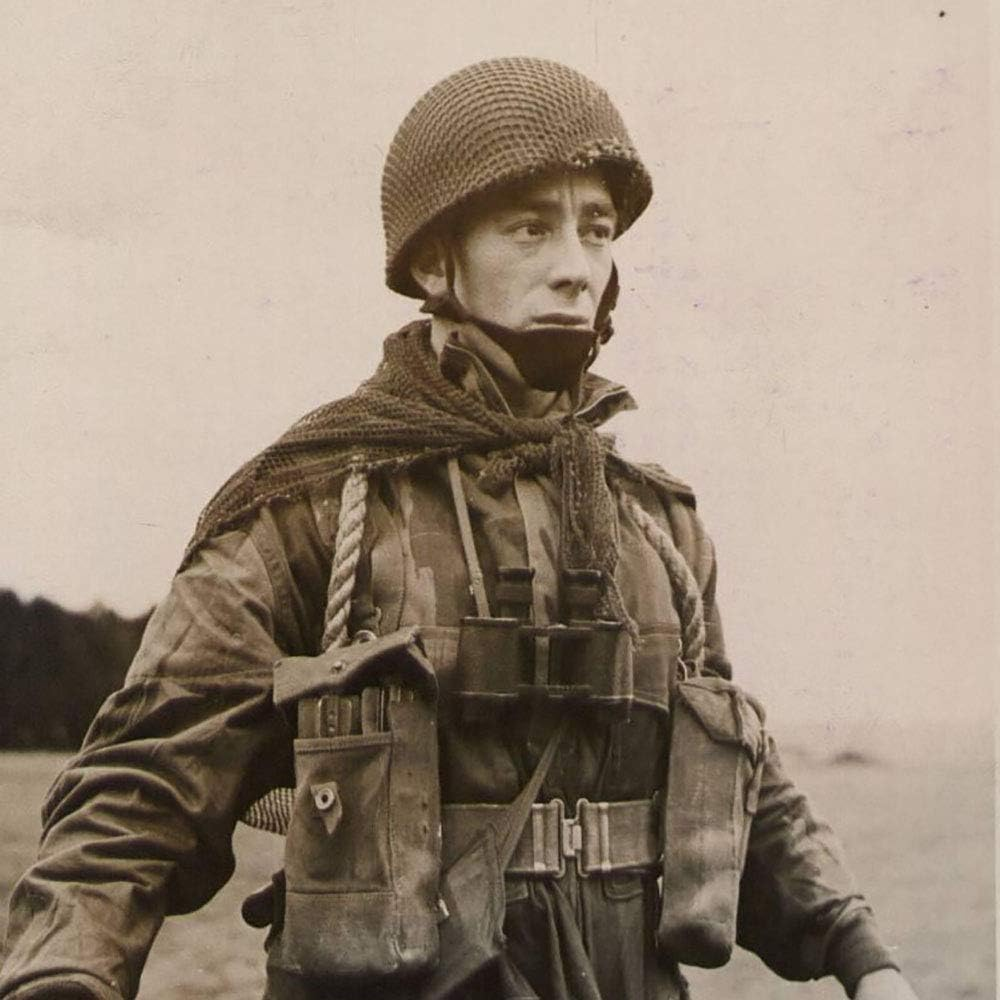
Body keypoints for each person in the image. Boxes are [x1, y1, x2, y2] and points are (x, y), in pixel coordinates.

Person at [0, 57, 919, 1000]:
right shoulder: (309, 506)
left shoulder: (657, 531)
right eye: (531, 228)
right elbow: (139, 794)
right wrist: (63, 977)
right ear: (435, 262)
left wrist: (865, 959)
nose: (575, 266)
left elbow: (740, 780)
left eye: (596, 229)